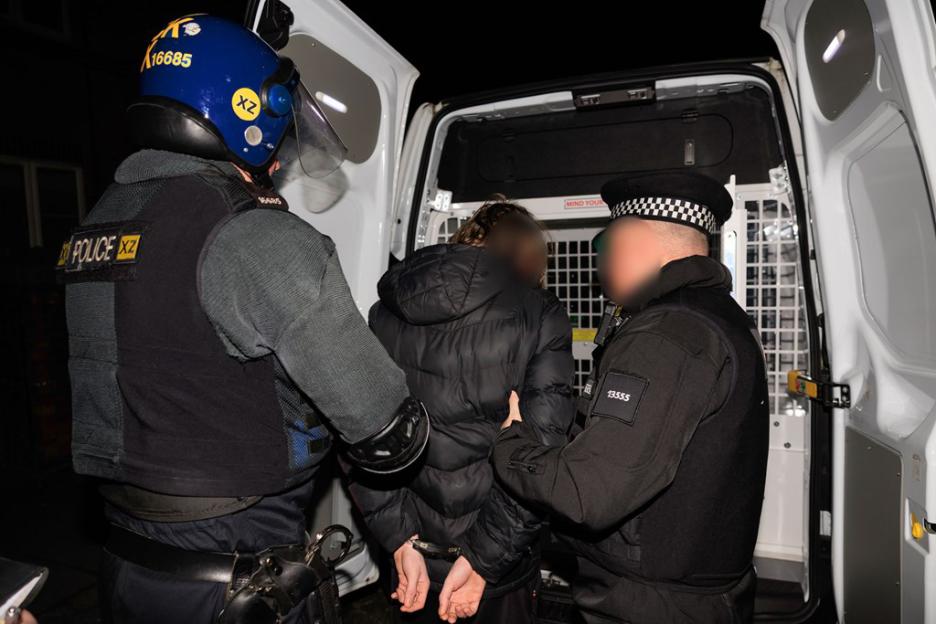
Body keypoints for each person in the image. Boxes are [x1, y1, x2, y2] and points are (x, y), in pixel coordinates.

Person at [58, 16, 428, 624]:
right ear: (249, 110)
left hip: (127, 569)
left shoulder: (96, 227)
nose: (280, 160)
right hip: (238, 582)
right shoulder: (256, 235)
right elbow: (386, 431)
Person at [493, 172, 770, 623]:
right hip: (700, 590)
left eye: (606, 244)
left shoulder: (666, 335)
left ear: (636, 238)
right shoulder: (723, 318)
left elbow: (586, 492)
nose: (600, 262)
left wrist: (510, 446)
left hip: (652, 604)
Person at [345, 199, 576, 623]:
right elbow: (537, 460)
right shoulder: (540, 314)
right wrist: (482, 560)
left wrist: (400, 541)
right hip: (495, 564)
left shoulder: (385, 313)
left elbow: (359, 434)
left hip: (412, 561)